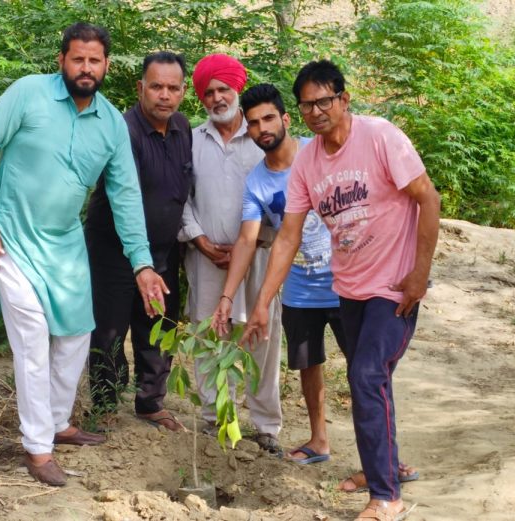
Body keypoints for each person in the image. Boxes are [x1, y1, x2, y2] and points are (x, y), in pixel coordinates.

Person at [0, 23, 168, 487]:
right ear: (62, 60)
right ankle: (38, 448)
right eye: (78, 59)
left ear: (106, 66)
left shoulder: (112, 123)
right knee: (33, 339)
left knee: (77, 334)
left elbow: (125, 195)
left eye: (94, 61)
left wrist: (141, 262)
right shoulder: (28, 94)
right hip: (11, 238)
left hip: (65, 243)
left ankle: (58, 422)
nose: (86, 68)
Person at [243, 60, 440, 521]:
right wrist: (261, 303)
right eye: (307, 104)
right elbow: (288, 237)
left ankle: (386, 496)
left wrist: (419, 273)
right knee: (370, 379)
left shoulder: (380, 137)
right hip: (348, 289)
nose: (315, 111)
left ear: (344, 99)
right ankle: (382, 469)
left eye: (324, 101)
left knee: (367, 375)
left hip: (393, 288)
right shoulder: (308, 162)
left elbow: (427, 198)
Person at [211, 83, 345, 465]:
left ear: (286, 119)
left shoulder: (319, 152)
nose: (262, 128)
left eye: (268, 118)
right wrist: (227, 297)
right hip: (301, 287)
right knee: (308, 364)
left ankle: (387, 452)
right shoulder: (256, 183)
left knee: (366, 368)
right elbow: (246, 241)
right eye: (253, 123)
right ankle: (319, 440)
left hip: (347, 279)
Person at [178, 54, 283, 455]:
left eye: (224, 89)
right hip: (205, 258)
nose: (217, 98)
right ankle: (217, 420)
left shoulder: (262, 139)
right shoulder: (190, 139)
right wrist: (198, 237)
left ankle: (266, 426)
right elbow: (179, 196)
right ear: (201, 98)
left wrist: (255, 241)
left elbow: (285, 195)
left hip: (260, 256)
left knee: (261, 337)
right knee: (211, 337)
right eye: (209, 92)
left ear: (237, 89)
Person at [85, 51, 192, 431]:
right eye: (156, 86)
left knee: (158, 327)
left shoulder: (183, 128)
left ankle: (150, 402)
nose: (164, 95)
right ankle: (106, 403)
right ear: (140, 88)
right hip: (113, 248)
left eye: (173, 88)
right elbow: (121, 197)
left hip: (163, 252)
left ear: (183, 91)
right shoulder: (121, 130)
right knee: (110, 328)